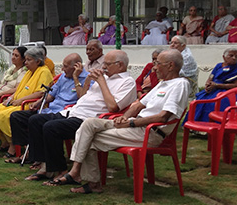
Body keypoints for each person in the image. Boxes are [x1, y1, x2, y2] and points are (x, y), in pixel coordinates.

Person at [56, 49, 189, 195]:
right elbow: (138, 105)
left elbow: (163, 117)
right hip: (135, 125)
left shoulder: (179, 85)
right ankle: (77, 172)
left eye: (157, 63)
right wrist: (124, 118)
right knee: (88, 124)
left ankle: (87, 180)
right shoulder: (162, 84)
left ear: (170, 66)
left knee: (87, 139)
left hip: (149, 132)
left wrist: (131, 123)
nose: (154, 67)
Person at [24, 50, 137, 182]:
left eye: (107, 64)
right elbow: (82, 97)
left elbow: (113, 107)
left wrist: (102, 83)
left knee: (51, 127)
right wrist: (88, 81)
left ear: (120, 65)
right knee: (35, 120)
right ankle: (44, 165)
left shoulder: (127, 82)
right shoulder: (104, 77)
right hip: (73, 112)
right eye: (104, 64)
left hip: (91, 119)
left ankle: (60, 169)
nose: (104, 67)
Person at [8, 53, 89, 162]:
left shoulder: (87, 79)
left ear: (76, 67)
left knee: (37, 121)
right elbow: (51, 95)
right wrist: (38, 102)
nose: (63, 69)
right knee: (17, 117)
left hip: (65, 112)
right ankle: (28, 150)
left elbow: (83, 99)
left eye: (65, 66)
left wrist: (75, 78)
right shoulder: (63, 77)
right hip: (50, 109)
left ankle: (36, 156)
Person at [0, 47, 54, 155]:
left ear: (38, 61)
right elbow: (20, 89)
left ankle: (14, 144)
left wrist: (20, 100)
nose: (26, 63)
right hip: (18, 101)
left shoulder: (44, 72)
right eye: (25, 59)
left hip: (31, 104)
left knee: (3, 115)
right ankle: (5, 142)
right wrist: (10, 98)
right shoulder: (30, 72)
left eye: (29, 60)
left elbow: (40, 93)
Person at [188, 48, 237, 122]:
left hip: (227, 91)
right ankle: (197, 124)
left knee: (217, 103)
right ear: (224, 57)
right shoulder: (219, 65)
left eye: (236, 56)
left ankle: (218, 126)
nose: (234, 58)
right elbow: (211, 77)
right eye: (231, 55)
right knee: (200, 100)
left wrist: (217, 85)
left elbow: (235, 85)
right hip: (213, 88)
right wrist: (208, 84)